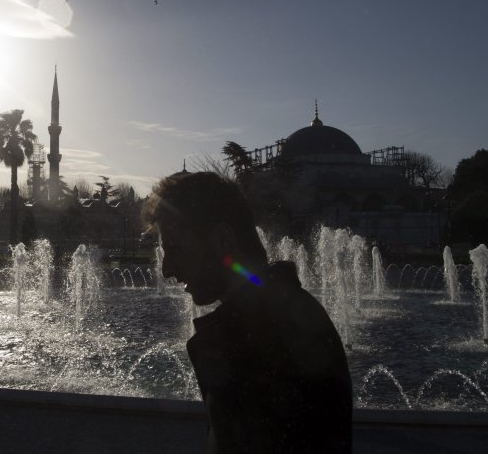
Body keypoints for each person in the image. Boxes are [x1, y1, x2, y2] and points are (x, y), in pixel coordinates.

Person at [142, 171, 352, 453]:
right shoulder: (281, 313)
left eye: (176, 249)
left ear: (222, 240)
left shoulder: (258, 335)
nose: (167, 270)